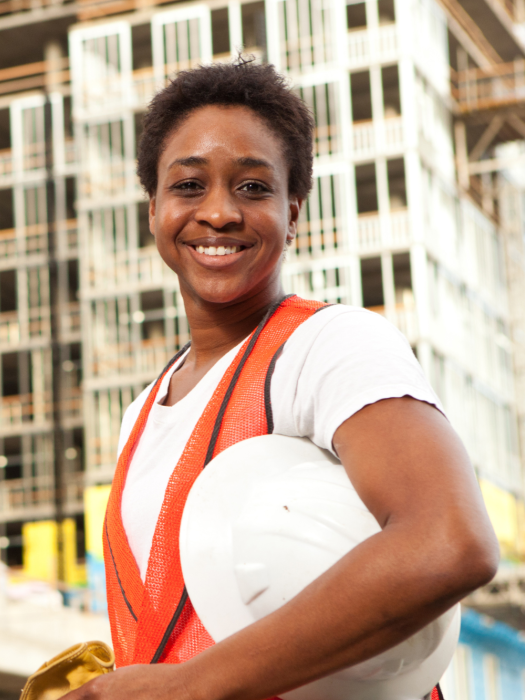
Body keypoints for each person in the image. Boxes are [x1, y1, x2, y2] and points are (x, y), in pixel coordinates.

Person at [70, 59, 499, 700]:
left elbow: (449, 542)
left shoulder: (329, 345)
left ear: (292, 211)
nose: (218, 213)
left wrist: (189, 686)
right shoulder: (143, 412)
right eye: (189, 186)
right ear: (153, 209)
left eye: (252, 188)